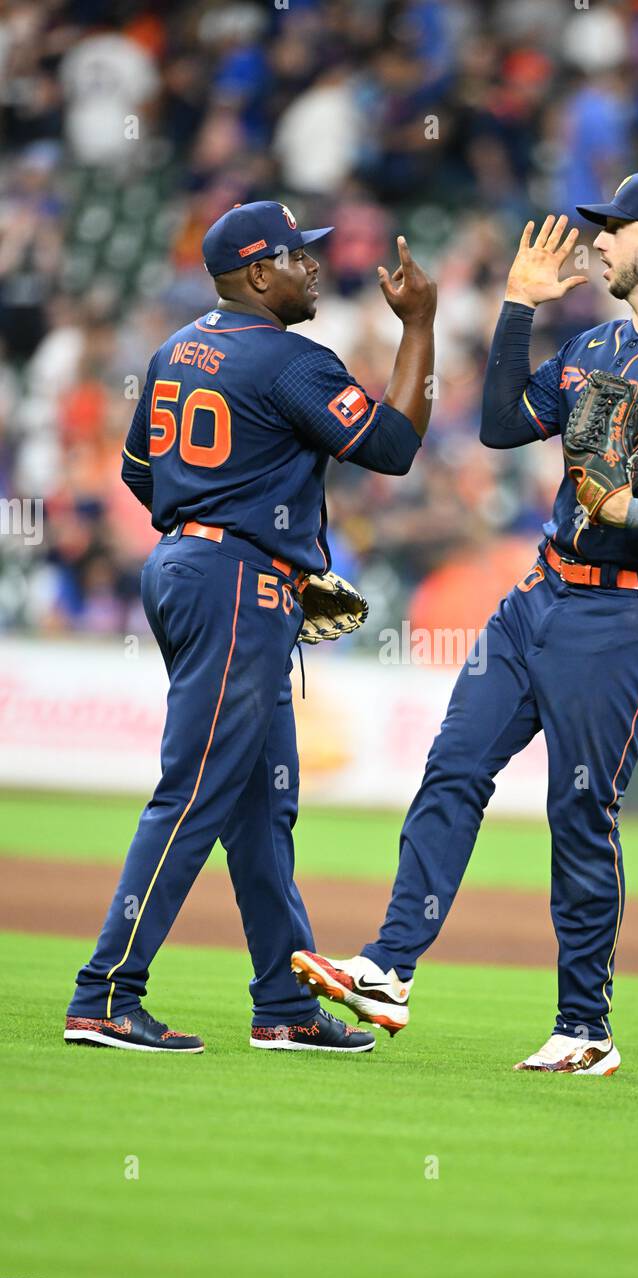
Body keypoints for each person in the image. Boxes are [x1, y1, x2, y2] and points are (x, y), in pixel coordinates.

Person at [292, 173, 638, 1075]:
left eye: (614, 229)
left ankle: (585, 1028)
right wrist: (517, 308)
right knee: (454, 765)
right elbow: (503, 425)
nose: (596, 242)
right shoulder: (597, 338)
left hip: (626, 614)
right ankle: (390, 969)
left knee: (580, 809)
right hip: (539, 596)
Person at [64, 201, 436, 1054]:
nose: (314, 268)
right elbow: (394, 445)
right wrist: (420, 325)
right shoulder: (290, 360)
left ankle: (285, 1002)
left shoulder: (174, 349)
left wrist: (220, 528)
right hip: (233, 585)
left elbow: (136, 473)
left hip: (194, 569)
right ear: (257, 275)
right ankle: (106, 993)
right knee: (195, 790)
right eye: (299, 258)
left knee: (263, 805)